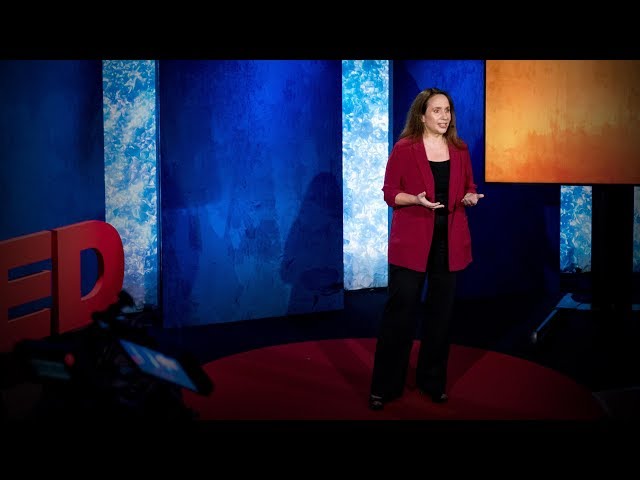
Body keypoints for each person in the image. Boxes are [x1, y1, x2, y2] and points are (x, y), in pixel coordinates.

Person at [369, 87, 484, 411]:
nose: (444, 116)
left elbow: (469, 186)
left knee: (440, 317)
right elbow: (389, 192)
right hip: (412, 243)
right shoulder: (405, 148)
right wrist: (415, 200)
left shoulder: (459, 149)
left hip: (450, 243)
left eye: (447, 110)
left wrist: (470, 197)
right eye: (437, 110)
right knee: (400, 315)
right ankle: (385, 387)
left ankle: (432, 381)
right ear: (422, 115)